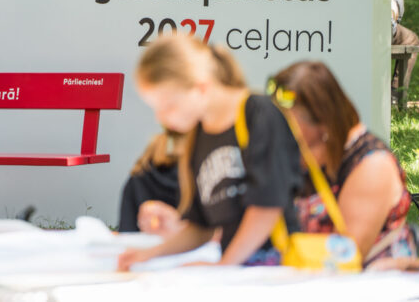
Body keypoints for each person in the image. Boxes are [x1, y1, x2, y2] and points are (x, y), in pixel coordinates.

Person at [117, 35, 301, 270]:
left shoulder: (259, 114)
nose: (160, 118)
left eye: (168, 106)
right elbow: (201, 227)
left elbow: (267, 208)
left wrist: (224, 266)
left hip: (277, 270)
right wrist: (149, 254)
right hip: (236, 271)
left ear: (201, 88)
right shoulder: (198, 136)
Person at [268, 61, 418, 265]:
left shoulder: (372, 165)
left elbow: (347, 257)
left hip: (369, 280)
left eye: (288, 122)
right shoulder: (303, 152)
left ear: (323, 121)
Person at [117, 130, 182, 235]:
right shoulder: (193, 181)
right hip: (187, 242)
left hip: (144, 243)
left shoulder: (135, 181)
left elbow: (127, 229)